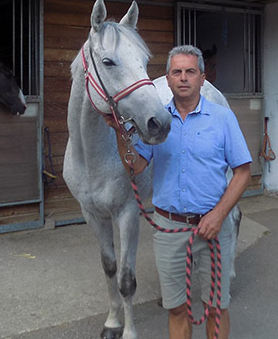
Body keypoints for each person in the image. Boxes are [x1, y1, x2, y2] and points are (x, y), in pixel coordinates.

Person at [106, 45, 251, 339]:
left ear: (201, 78)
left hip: (214, 228)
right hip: (170, 227)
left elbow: (243, 172)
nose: (183, 78)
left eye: (190, 72)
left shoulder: (223, 119)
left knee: (215, 307)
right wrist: (122, 135)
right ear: (168, 79)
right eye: (177, 72)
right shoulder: (158, 123)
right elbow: (135, 166)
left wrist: (219, 215)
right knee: (176, 309)